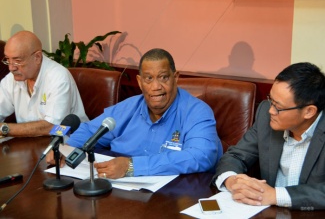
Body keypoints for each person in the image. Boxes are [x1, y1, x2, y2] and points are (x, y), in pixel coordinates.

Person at [47, 48, 222, 179]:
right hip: (122, 194)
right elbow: (89, 130)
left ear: (175, 78)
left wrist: (132, 166)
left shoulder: (197, 111)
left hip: (175, 198)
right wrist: (67, 150)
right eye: (149, 78)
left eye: (163, 77)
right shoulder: (128, 107)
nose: (156, 87)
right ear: (139, 82)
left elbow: (202, 156)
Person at [212, 62, 325, 210]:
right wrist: (233, 180)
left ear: (309, 111)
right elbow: (235, 156)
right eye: (270, 100)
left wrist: (275, 195)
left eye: (278, 107)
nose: (271, 110)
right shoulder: (266, 116)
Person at [0, 30, 88, 137]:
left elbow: (53, 127)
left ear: (37, 57)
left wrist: (5, 129)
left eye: (17, 60)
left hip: (66, 144)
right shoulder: (13, 78)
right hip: (29, 144)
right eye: (8, 60)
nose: (11, 67)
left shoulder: (58, 77)